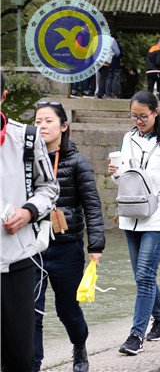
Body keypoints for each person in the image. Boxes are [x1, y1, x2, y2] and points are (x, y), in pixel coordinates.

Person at [108, 90, 160, 355]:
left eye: (143, 116)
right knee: (142, 276)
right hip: (131, 214)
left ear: (156, 113)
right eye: (134, 116)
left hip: (159, 216)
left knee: (144, 276)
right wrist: (114, 173)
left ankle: (136, 335)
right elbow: (124, 178)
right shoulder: (127, 139)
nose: (139, 121)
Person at [33, 102, 105, 372]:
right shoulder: (27, 160)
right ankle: (33, 363)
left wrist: (95, 245)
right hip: (33, 247)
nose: (42, 126)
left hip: (67, 247)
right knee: (31, 311)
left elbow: (92, 205)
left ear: (63, 126)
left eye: (48, 121)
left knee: (67, 309)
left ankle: (79, 346)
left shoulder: (78, 162)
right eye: (38, 121)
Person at [1, 81, 59, 372]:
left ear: (3, 96)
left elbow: (49, 188)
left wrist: (27, 212)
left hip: (17, 261)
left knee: (19, 357)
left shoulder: (25, 137)